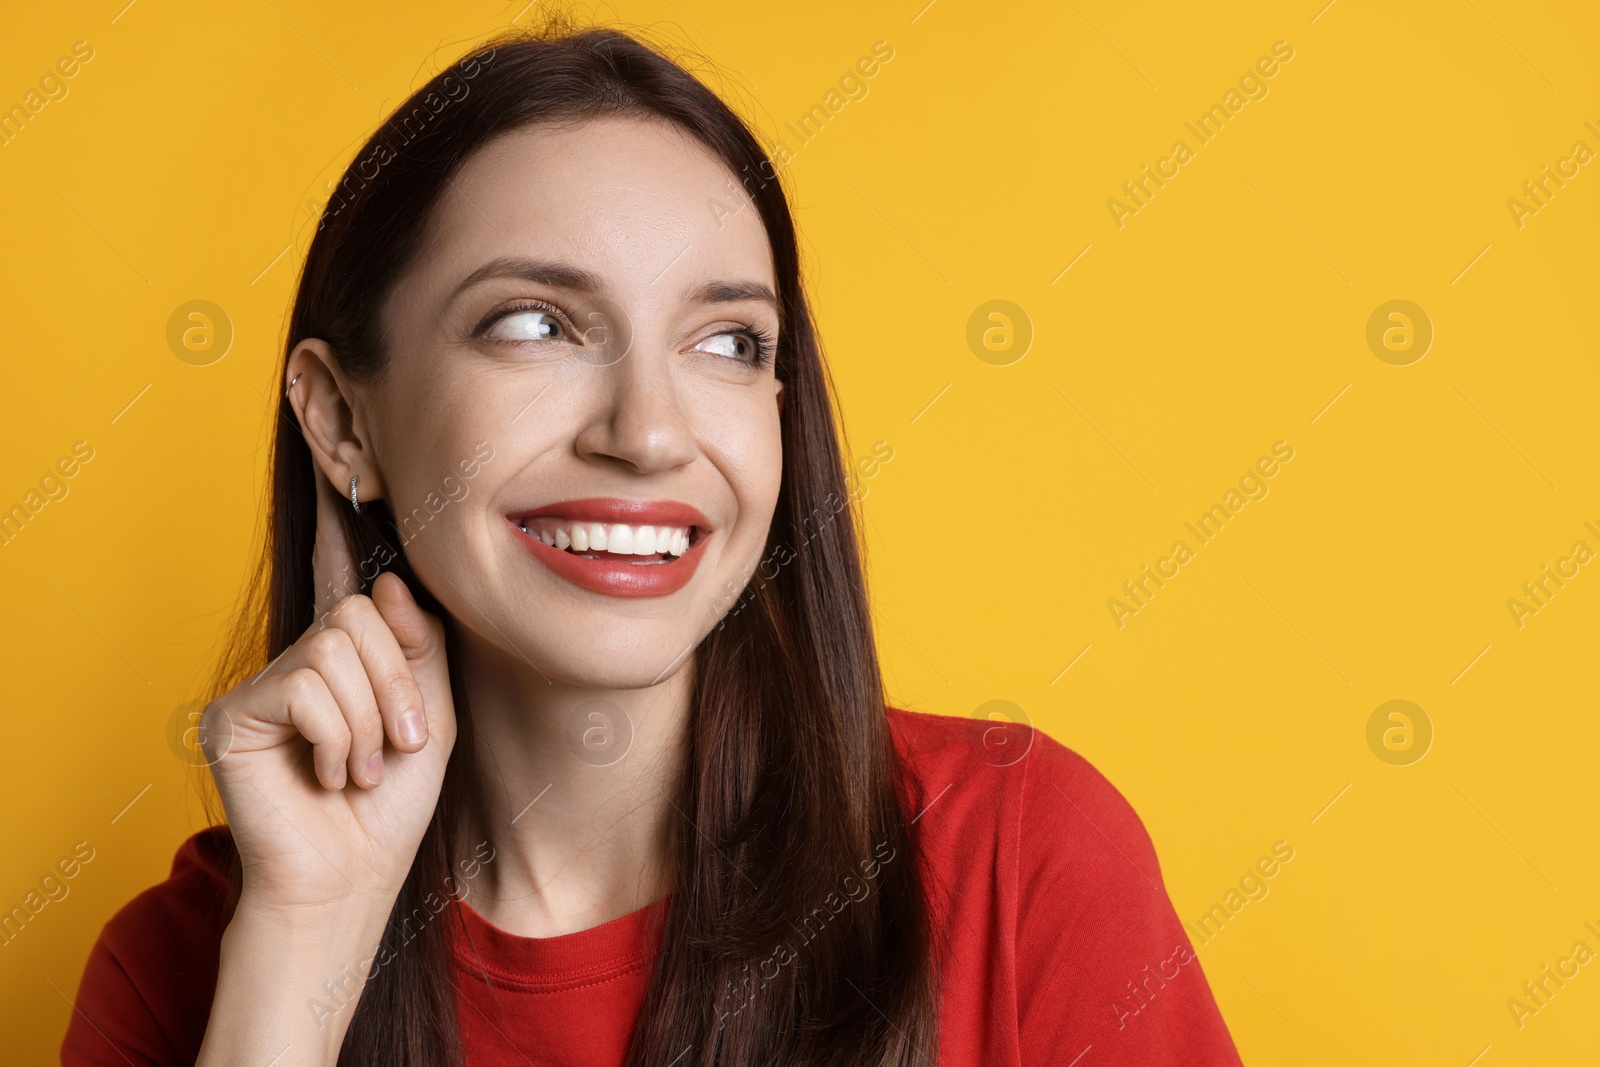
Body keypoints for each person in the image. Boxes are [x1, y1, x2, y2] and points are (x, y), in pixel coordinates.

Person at [61, 20, 1243, 1067]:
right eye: (534, 323)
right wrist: (304, 941)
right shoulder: (189, 961)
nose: (648, 431)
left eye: (728, 341)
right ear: (340, 418)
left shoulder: (1018, 860)